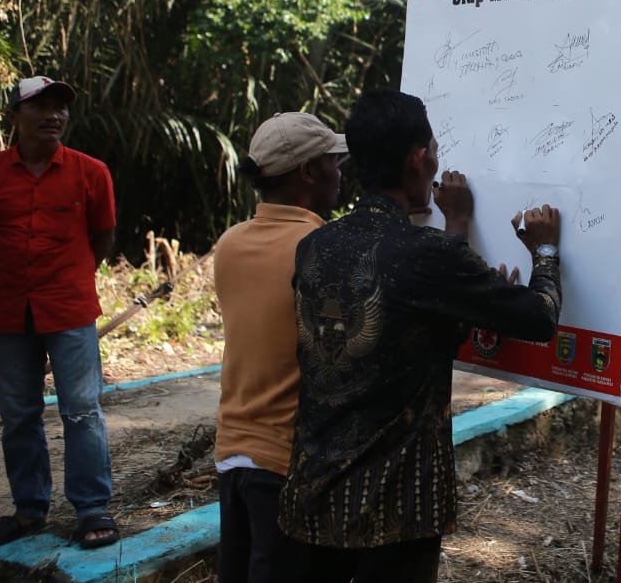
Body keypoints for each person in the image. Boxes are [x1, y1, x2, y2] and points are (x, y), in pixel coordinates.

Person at [277, 88, 563, 582]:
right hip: (395, 511)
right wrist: (545, 251)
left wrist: (457, 225)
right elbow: (539, 317)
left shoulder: (313, 247)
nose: (437, 160)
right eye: (434, 149)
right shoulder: (426, 255)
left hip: (312, 500)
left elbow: (412, 319)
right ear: (417, 159)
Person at [0, 76, 119, 550]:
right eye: (40, 106)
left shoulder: (92, 172)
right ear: (14, 116)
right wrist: (16, 272)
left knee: (82, 411)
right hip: (9, 311)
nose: (53, 115)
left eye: (60, 107)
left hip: (70, 308)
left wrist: (70, 276)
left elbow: (103, 237)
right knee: (18, 414)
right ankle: (29, 509)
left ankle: (92, 508)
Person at [212, 113, 346, 582]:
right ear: (308, 172)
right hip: (285, 460)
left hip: (232, 454)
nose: (339, 174)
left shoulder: (230, 243)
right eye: (333, 162)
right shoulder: (320, 248)